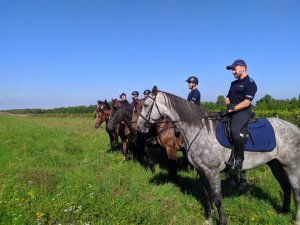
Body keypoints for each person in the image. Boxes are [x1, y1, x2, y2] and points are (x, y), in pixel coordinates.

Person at [223, 59, 257, 170]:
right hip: (232, 110)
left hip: (243, 111)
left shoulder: (250, 83)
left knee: (234, 129)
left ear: (243, 68)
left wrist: (233, 109)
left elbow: (247, 102)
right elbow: (227, 97)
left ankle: (238, 160)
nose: (233, 72)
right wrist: (229, 105)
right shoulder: (233, 83)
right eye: (232, 70)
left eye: (234, 69)